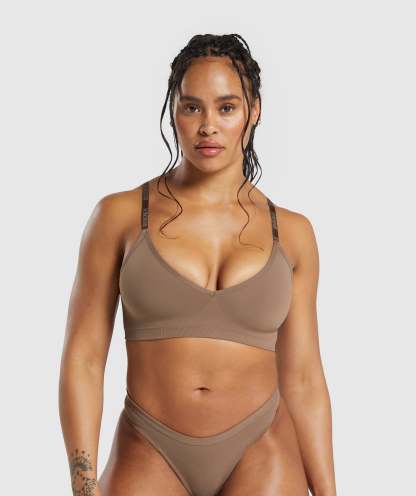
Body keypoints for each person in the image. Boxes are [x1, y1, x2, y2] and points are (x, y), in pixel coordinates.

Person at [59, 33, 337, 496]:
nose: (208, 126)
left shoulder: (292, 233)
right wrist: (83, 488)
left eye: (226, 108)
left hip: (262, 447)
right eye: (192, 107)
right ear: (174, 111)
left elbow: (304, 377)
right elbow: (84, 359)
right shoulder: (119, 217)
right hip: (149, 445)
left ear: (254, 111)